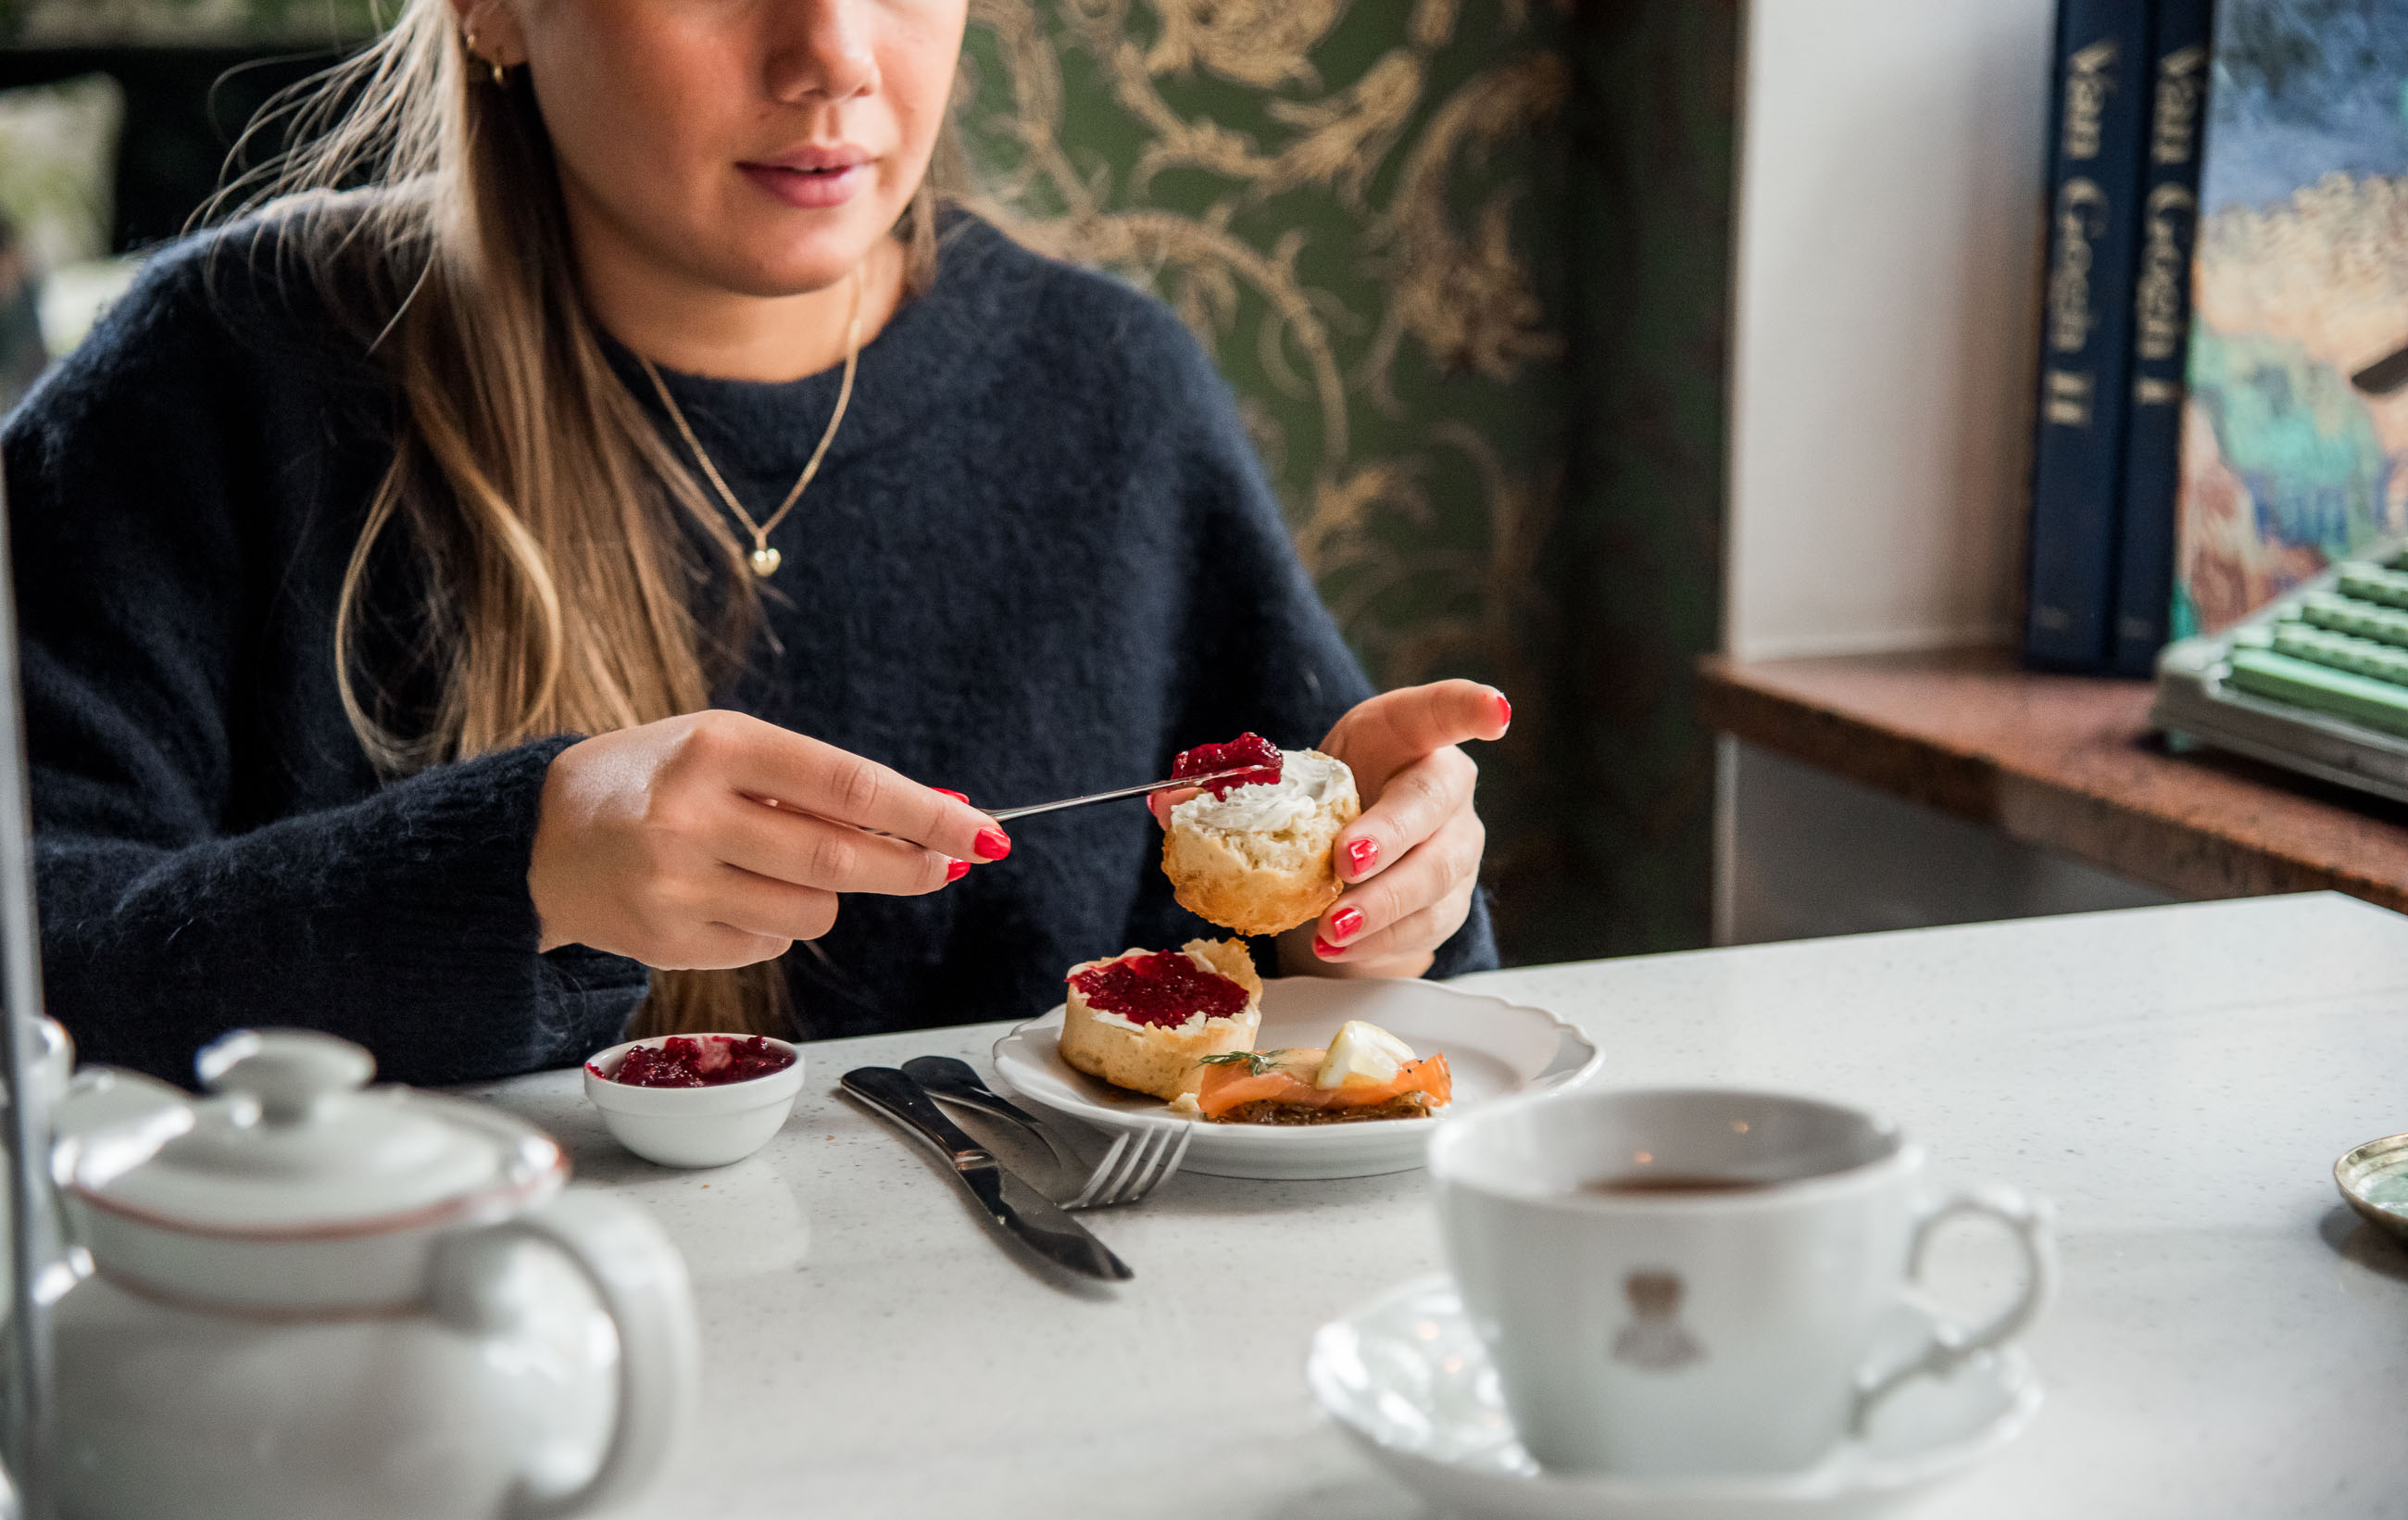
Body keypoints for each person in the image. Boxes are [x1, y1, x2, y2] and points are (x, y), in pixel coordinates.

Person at [2, 0, 1506, 1087]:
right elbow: (41, 958)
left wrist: (1372, 916)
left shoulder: (1116, 393)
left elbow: (1351, 1018)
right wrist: (509, 872)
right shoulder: (215, 379)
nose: (834, 54)